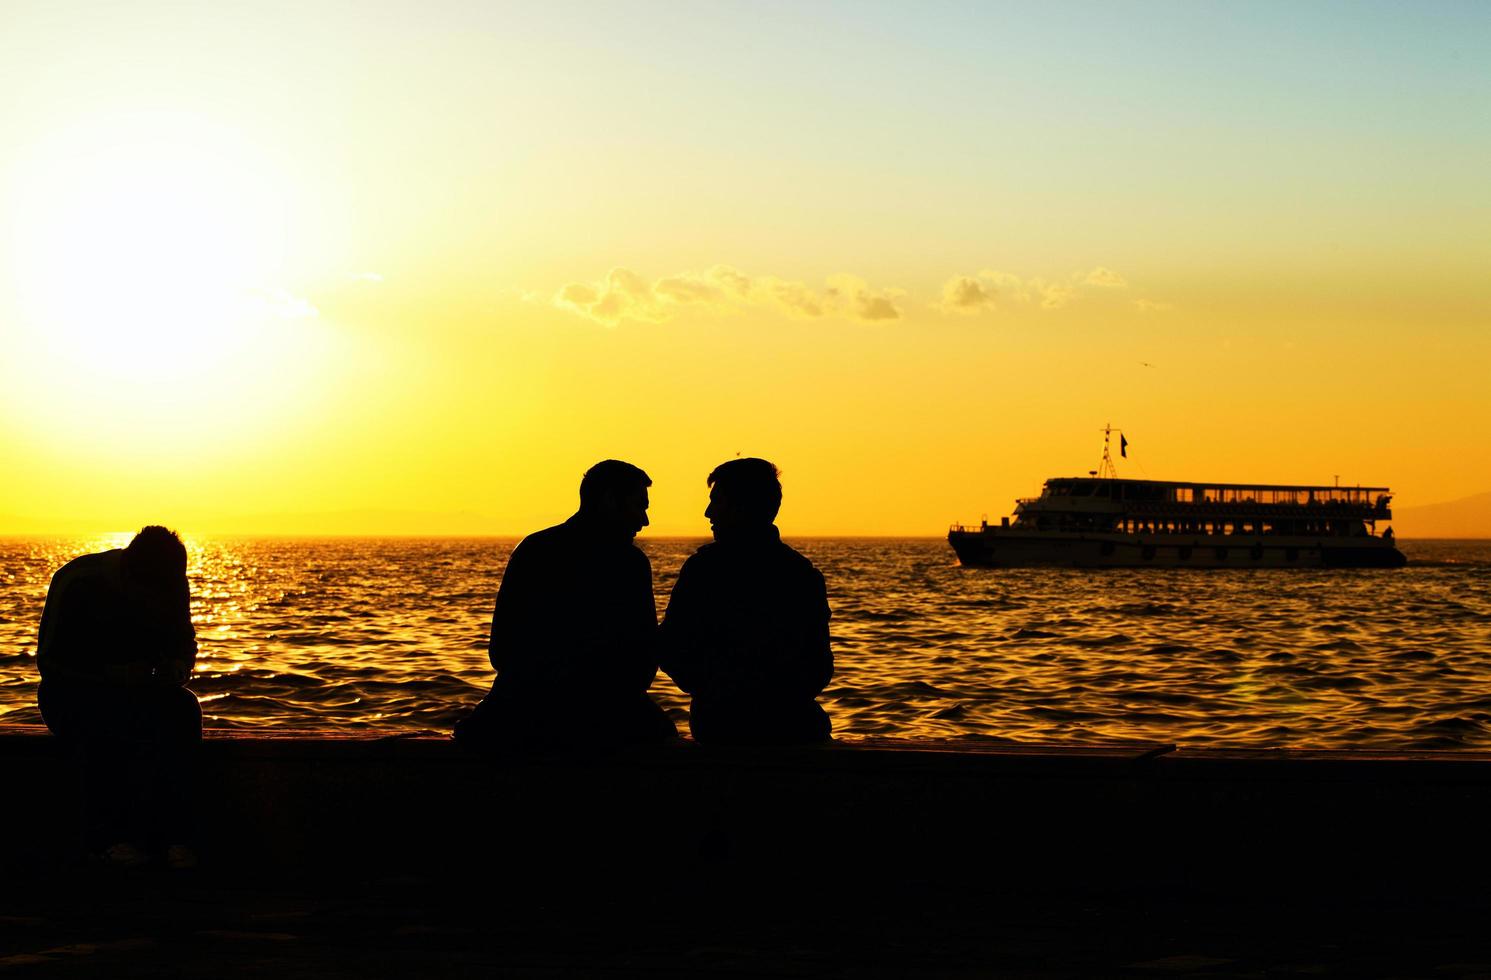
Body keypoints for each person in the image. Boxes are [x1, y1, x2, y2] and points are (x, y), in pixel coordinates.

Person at [453, 460, 676, 752]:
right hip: (606, 714)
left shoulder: (533, 550)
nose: (644, 520)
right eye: (639, 506)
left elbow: (502, 651)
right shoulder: (629, 564)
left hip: (522, 710)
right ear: (609, 500)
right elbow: (642, 660)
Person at [36, 526, 201, 869]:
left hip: (139, 692)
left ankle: (176, 839)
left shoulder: (171, 581)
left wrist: (180, 666)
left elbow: (184, 638)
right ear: (127, 574)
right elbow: (50, 663)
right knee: (107, 721)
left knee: (185, 710)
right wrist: (108, 675)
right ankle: (107, 840)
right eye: (145, 595)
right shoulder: (78, 581)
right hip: (70, 694)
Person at [660, 458, 833, 745]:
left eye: (717, 501)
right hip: (793, 726)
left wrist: (713, 691)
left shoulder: (704, 570)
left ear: (741, 507)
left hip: (721, 724)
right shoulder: (801, 573)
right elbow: (818, 667)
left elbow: (672, 648)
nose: (708, 512)